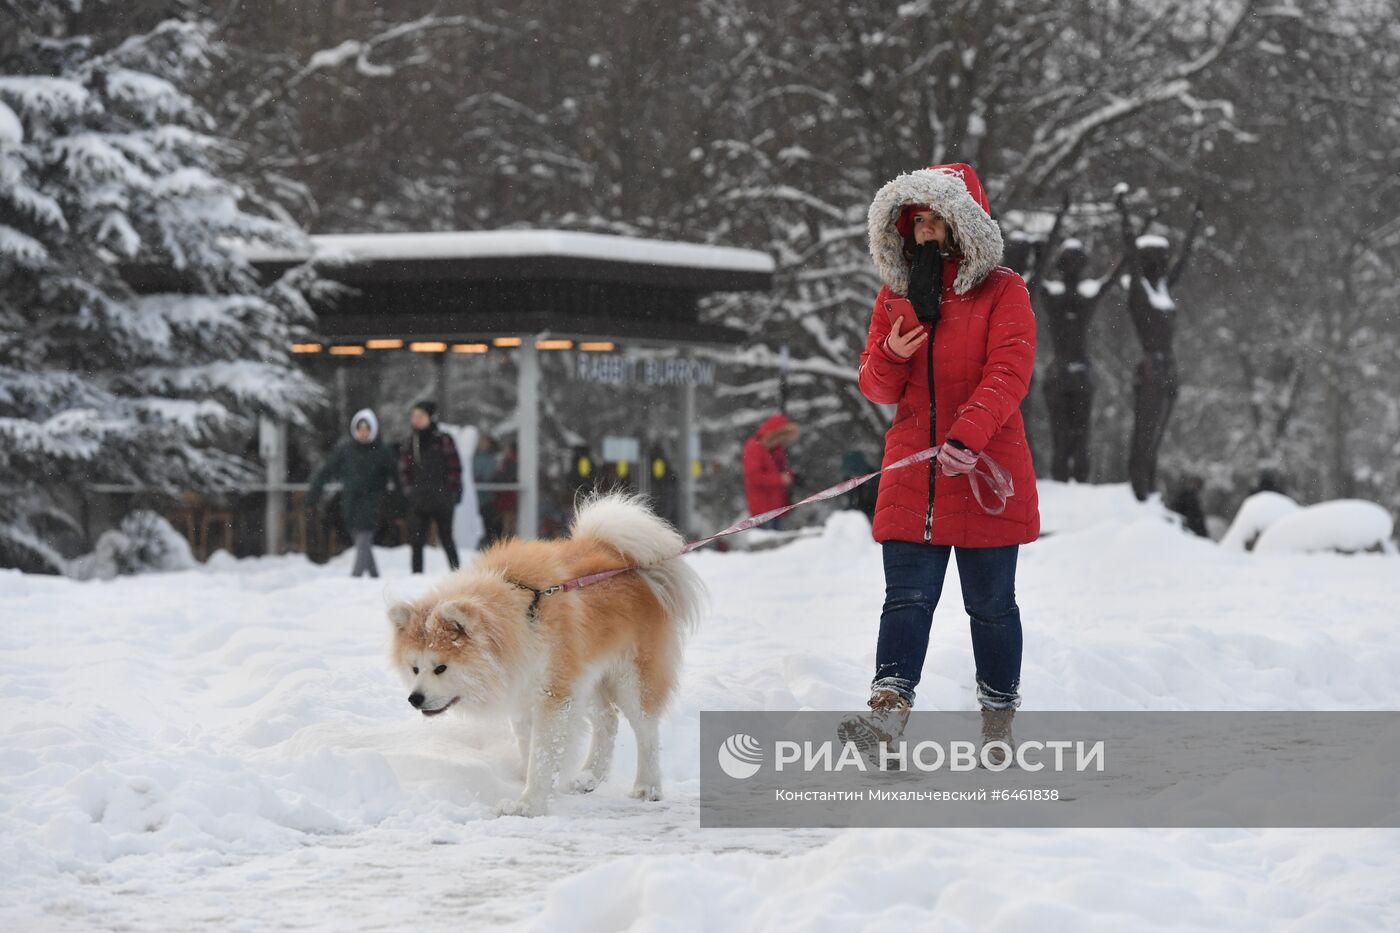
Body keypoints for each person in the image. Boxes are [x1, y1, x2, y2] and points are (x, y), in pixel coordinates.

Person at [843, 162, 1040, 764]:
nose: (924, 233)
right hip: (913, 475)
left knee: (990, 606)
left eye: (934, 220)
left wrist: (969, 435)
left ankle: (998, 722)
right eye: (916, 222)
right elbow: (876, 388)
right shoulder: (896, 296)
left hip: (982, 471)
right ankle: (886, 718)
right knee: (905, 599)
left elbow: (1009, 371)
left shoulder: (1004, 290)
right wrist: (888, 355)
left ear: (963, 222)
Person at [306, 408, 398, 578]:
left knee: (364, 538)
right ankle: (375, 577)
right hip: (350, 503)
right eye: (360, 429)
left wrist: (398, 505)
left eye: (367, 429)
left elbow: (397, 478)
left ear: (373, 430)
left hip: (373, 503)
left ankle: (355, 579)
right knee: (362, 542)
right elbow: (325, 472)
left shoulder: (382, 451)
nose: (363, 433)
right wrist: (313, 497)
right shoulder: (345, 450)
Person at [399, 400, 463, 574]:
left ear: (430, 417)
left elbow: (455, 468)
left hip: (442, 499)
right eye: (414, 416)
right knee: (416, 541)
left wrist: (451, 492)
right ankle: (415, 579)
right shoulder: (410, 442)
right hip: (419, 500)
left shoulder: (443, 440)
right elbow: (405, 470)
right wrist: (410, 492)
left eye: (420, 416)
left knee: (447, 539)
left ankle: (458, 575)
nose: (416, 420)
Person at [742, 413, 800, 530]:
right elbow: (754, 477)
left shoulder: (776, 448)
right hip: (762, 509)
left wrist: (792, 477)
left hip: (778, 507)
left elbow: (780, 470)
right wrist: (781, 479)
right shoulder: (754, 447)